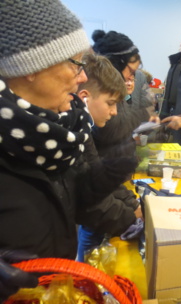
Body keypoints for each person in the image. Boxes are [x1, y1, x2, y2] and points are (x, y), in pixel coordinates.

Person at [0, 0, 137, 301]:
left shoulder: (65, 127)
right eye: (75, 63)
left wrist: (103, 186)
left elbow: (73, 200)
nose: (83, 76)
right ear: (31, 67)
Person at [75, 53, 143, 262]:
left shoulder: (82, 129)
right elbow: (90, 200)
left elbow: (98, 174)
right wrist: (130, 216)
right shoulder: (74, 132)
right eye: (110, 103)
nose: (114, 112)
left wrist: (132, 203)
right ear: (84, 98)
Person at [91, 30, 156, 157]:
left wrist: (127, 96)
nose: (133, 77)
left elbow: (146, 108)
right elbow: (112, 130)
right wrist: (144, 114)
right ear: (115, 67)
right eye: (131, 72)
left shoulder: (133, 81)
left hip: (124, 156)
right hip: (104, 160)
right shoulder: (96, 87)